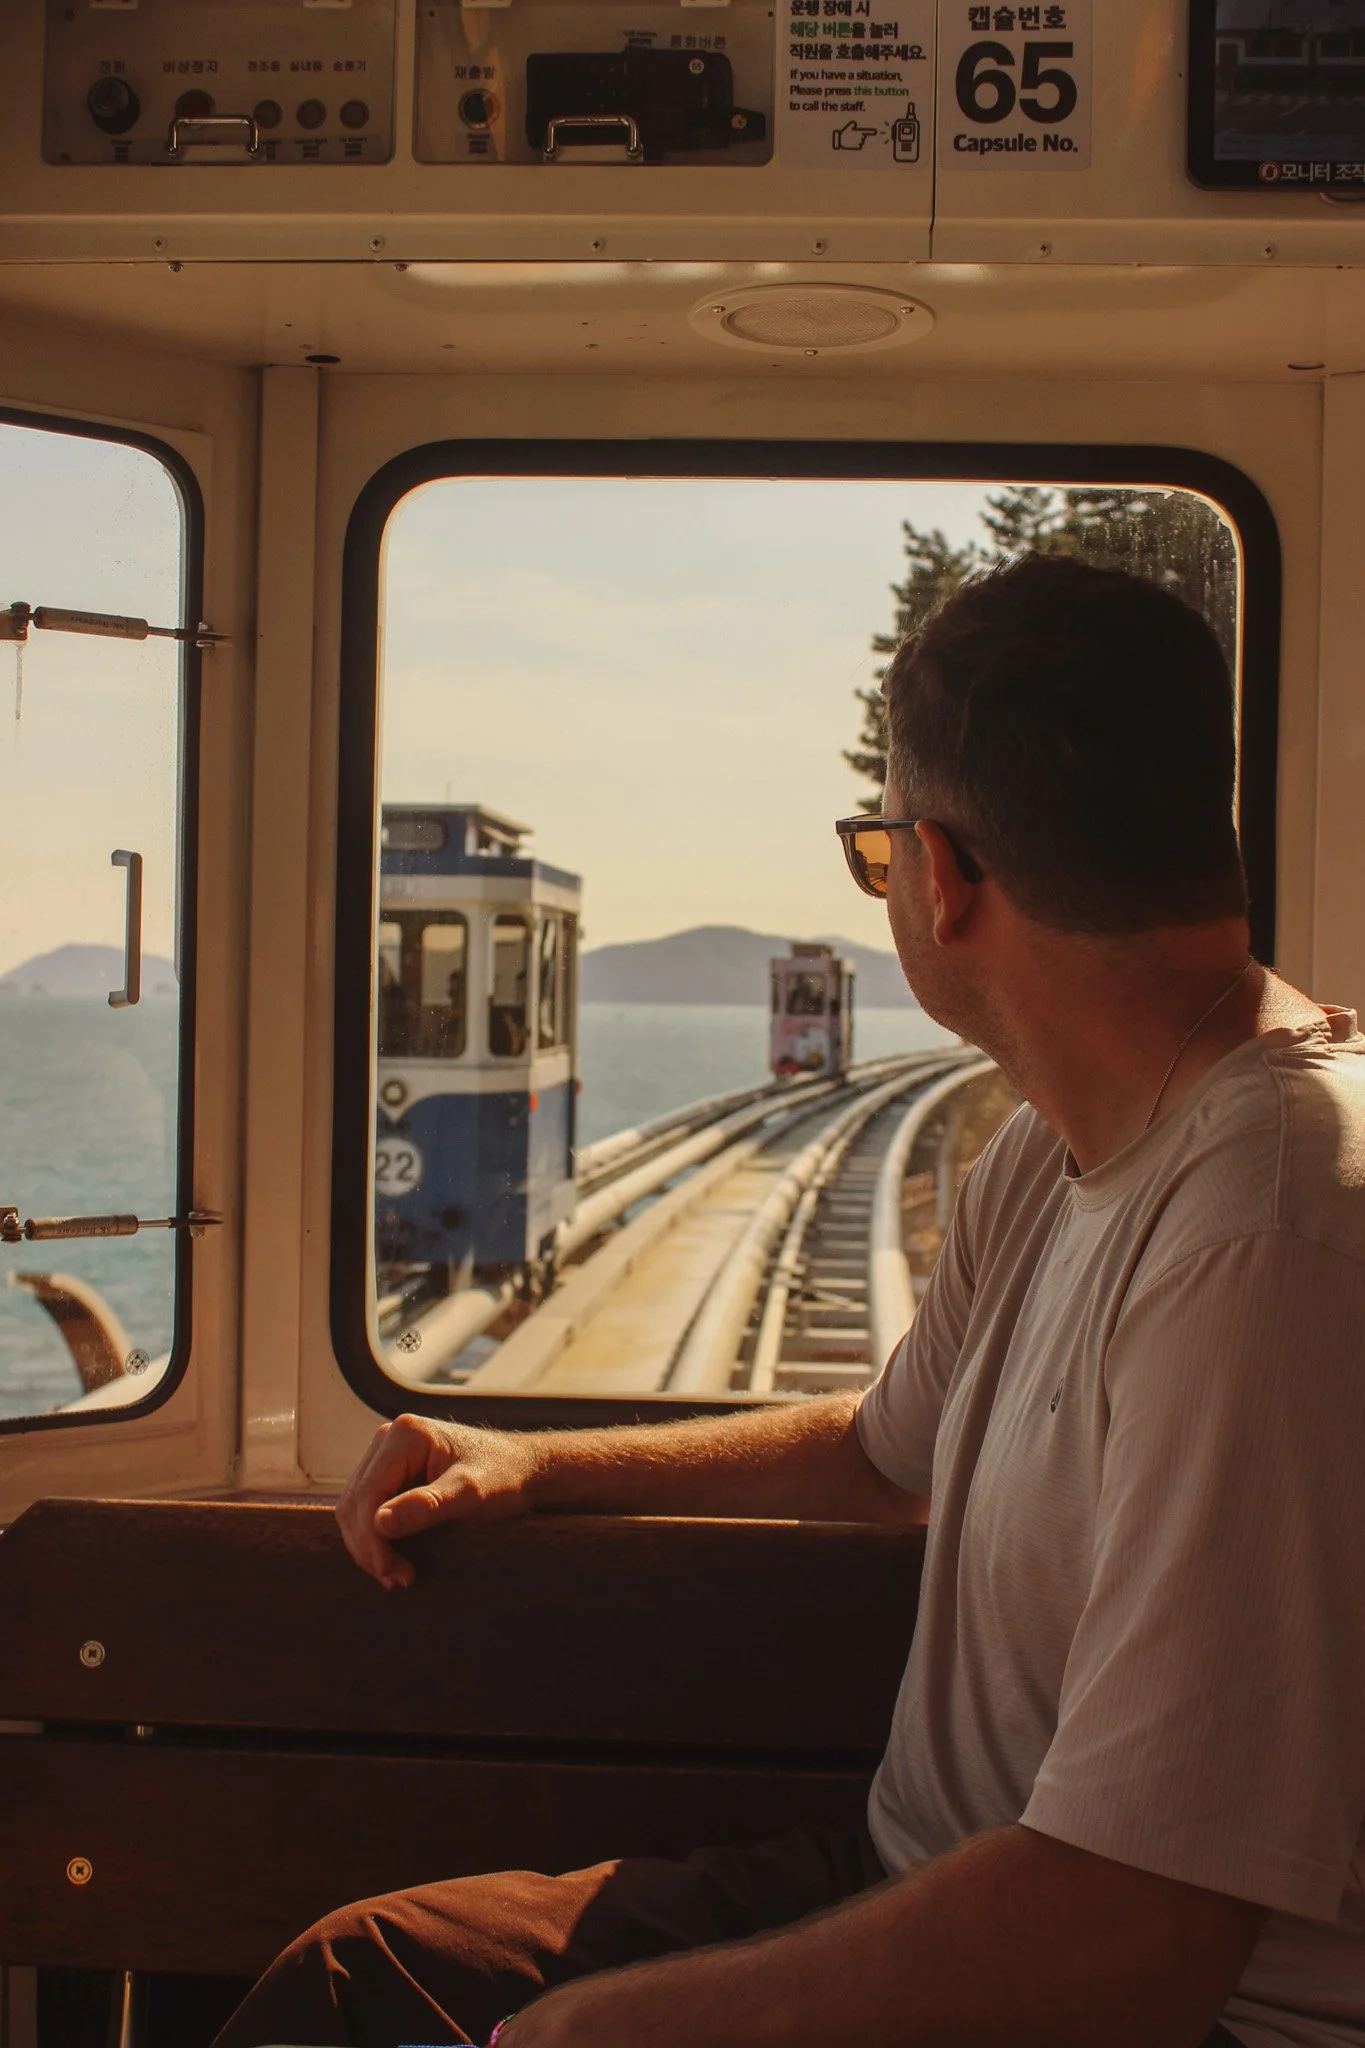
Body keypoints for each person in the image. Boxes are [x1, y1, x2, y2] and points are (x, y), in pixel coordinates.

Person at [213, 556, 1365, 2048]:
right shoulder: (1056, 1145)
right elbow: (885, 1456)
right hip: (926, 1880)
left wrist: (611, 2033)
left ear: (937, 879)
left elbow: (1137, 1942)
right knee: (361, 1985)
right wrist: (541, 1465)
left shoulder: (1265, 1232)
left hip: (1138, 2000)